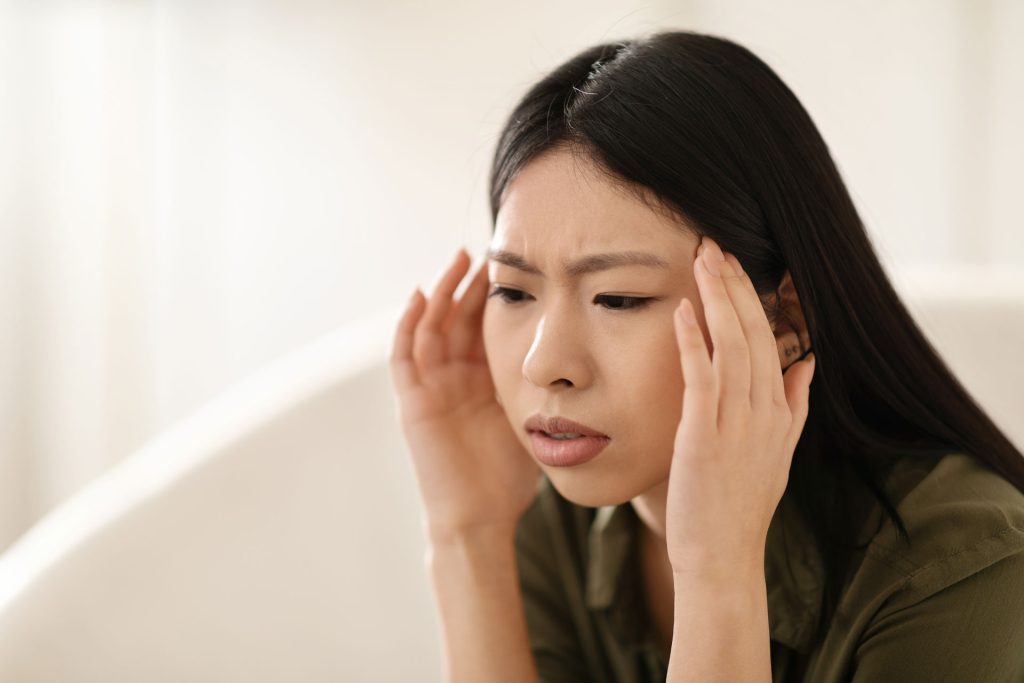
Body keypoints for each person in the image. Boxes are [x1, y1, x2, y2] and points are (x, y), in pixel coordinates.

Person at [388, 30, 1024, 682]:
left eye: (618, 298)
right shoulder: (554, 521)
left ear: (785, 318)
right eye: (513, 290)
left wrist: (718, 571)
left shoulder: (959, 569)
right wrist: (468, 533)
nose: (542, 364)